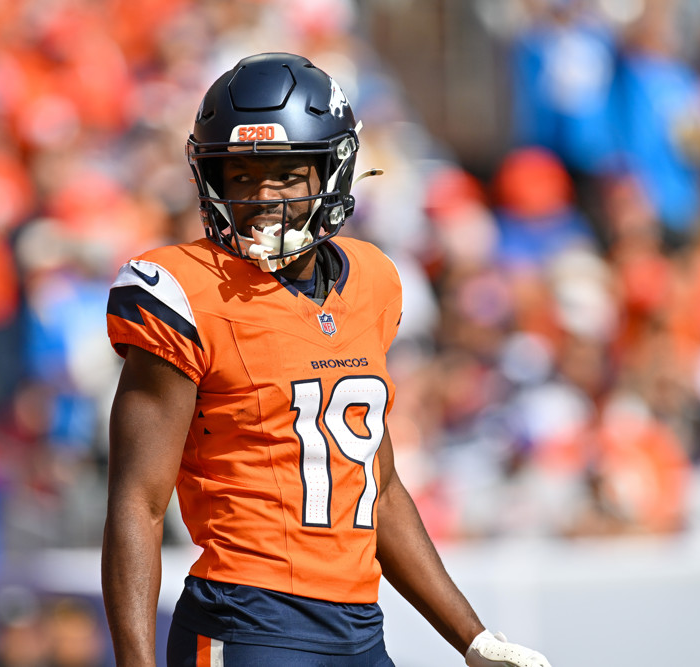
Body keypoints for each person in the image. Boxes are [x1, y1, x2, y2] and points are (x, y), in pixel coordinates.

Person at [102, 52, 552, 667]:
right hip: (248, 619)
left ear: (329, 172)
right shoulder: (182, 289)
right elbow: (137, 501)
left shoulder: (372, 280)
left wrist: (472, 638)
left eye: (286, 175)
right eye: (240, 175)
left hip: (360, 630)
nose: (263, 197)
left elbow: (381, 489)